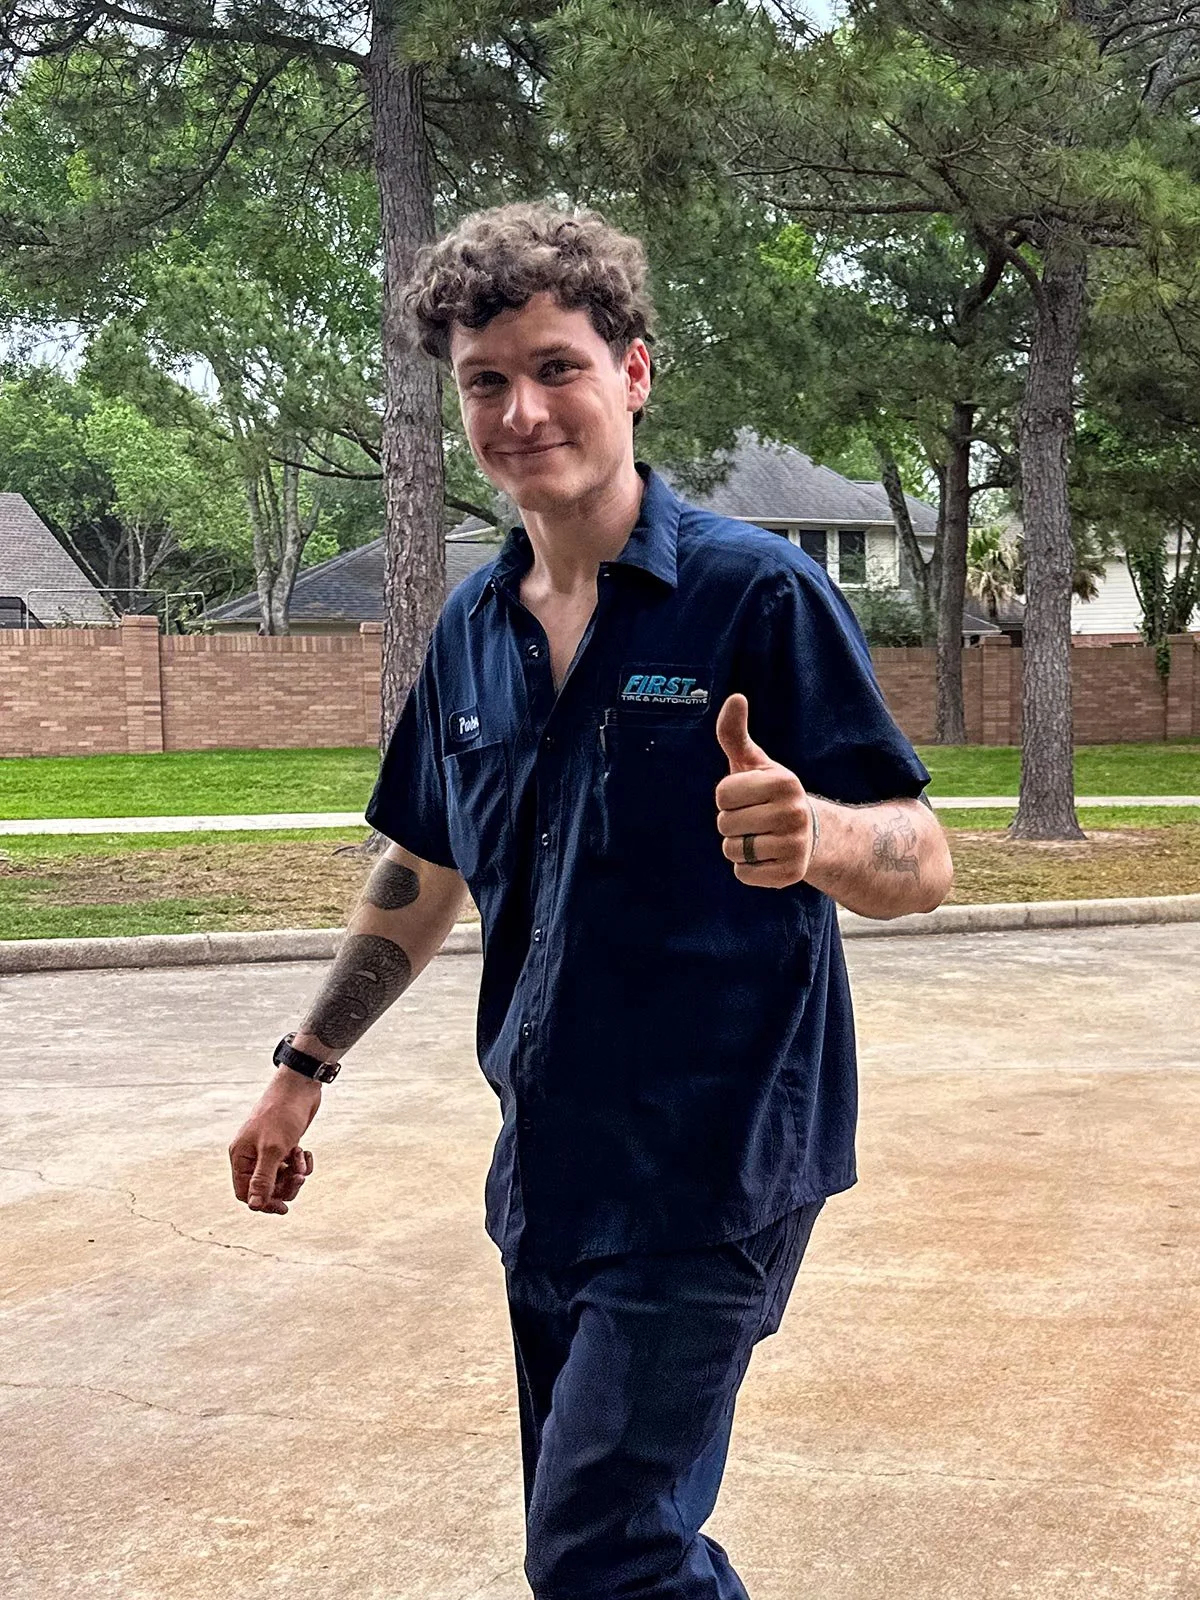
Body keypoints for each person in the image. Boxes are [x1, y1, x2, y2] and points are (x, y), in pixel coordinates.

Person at [228, 201, 954, 1598]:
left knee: (600, 1555)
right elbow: (423, 869)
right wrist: (303, 1067)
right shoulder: (472, 626)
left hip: (715, 1163)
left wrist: (817, 839)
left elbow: (924, 860)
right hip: (549, 1165)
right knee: (603, 1547)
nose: (520, 409)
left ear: (632, 371)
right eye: (485, 380)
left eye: (555, 366)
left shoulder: (758, 596)